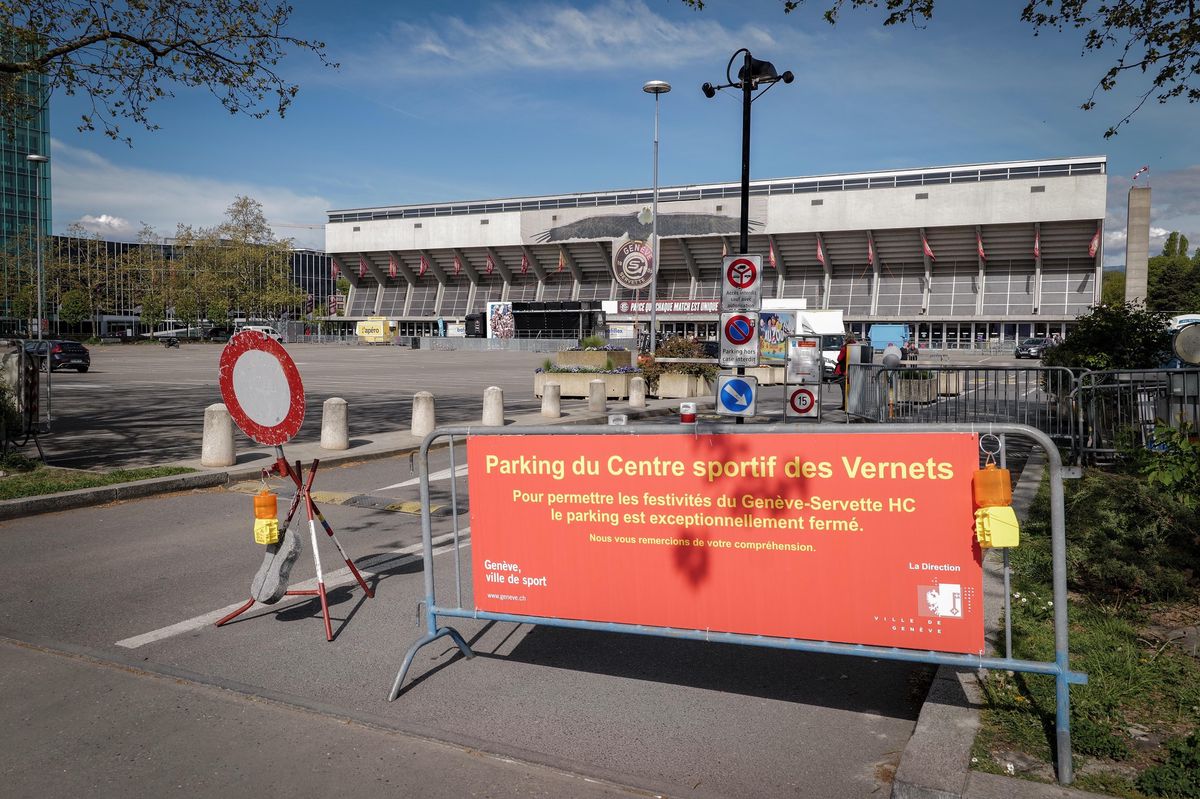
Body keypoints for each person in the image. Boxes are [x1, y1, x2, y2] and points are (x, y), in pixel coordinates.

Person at [834, 334, 856, 410]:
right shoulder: (856, 347)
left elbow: (839, 358)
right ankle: (851, 405)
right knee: (852, 389)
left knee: (844, 389)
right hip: (853, 371)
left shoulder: (845, 348)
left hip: (843, 371)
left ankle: (845, 406)